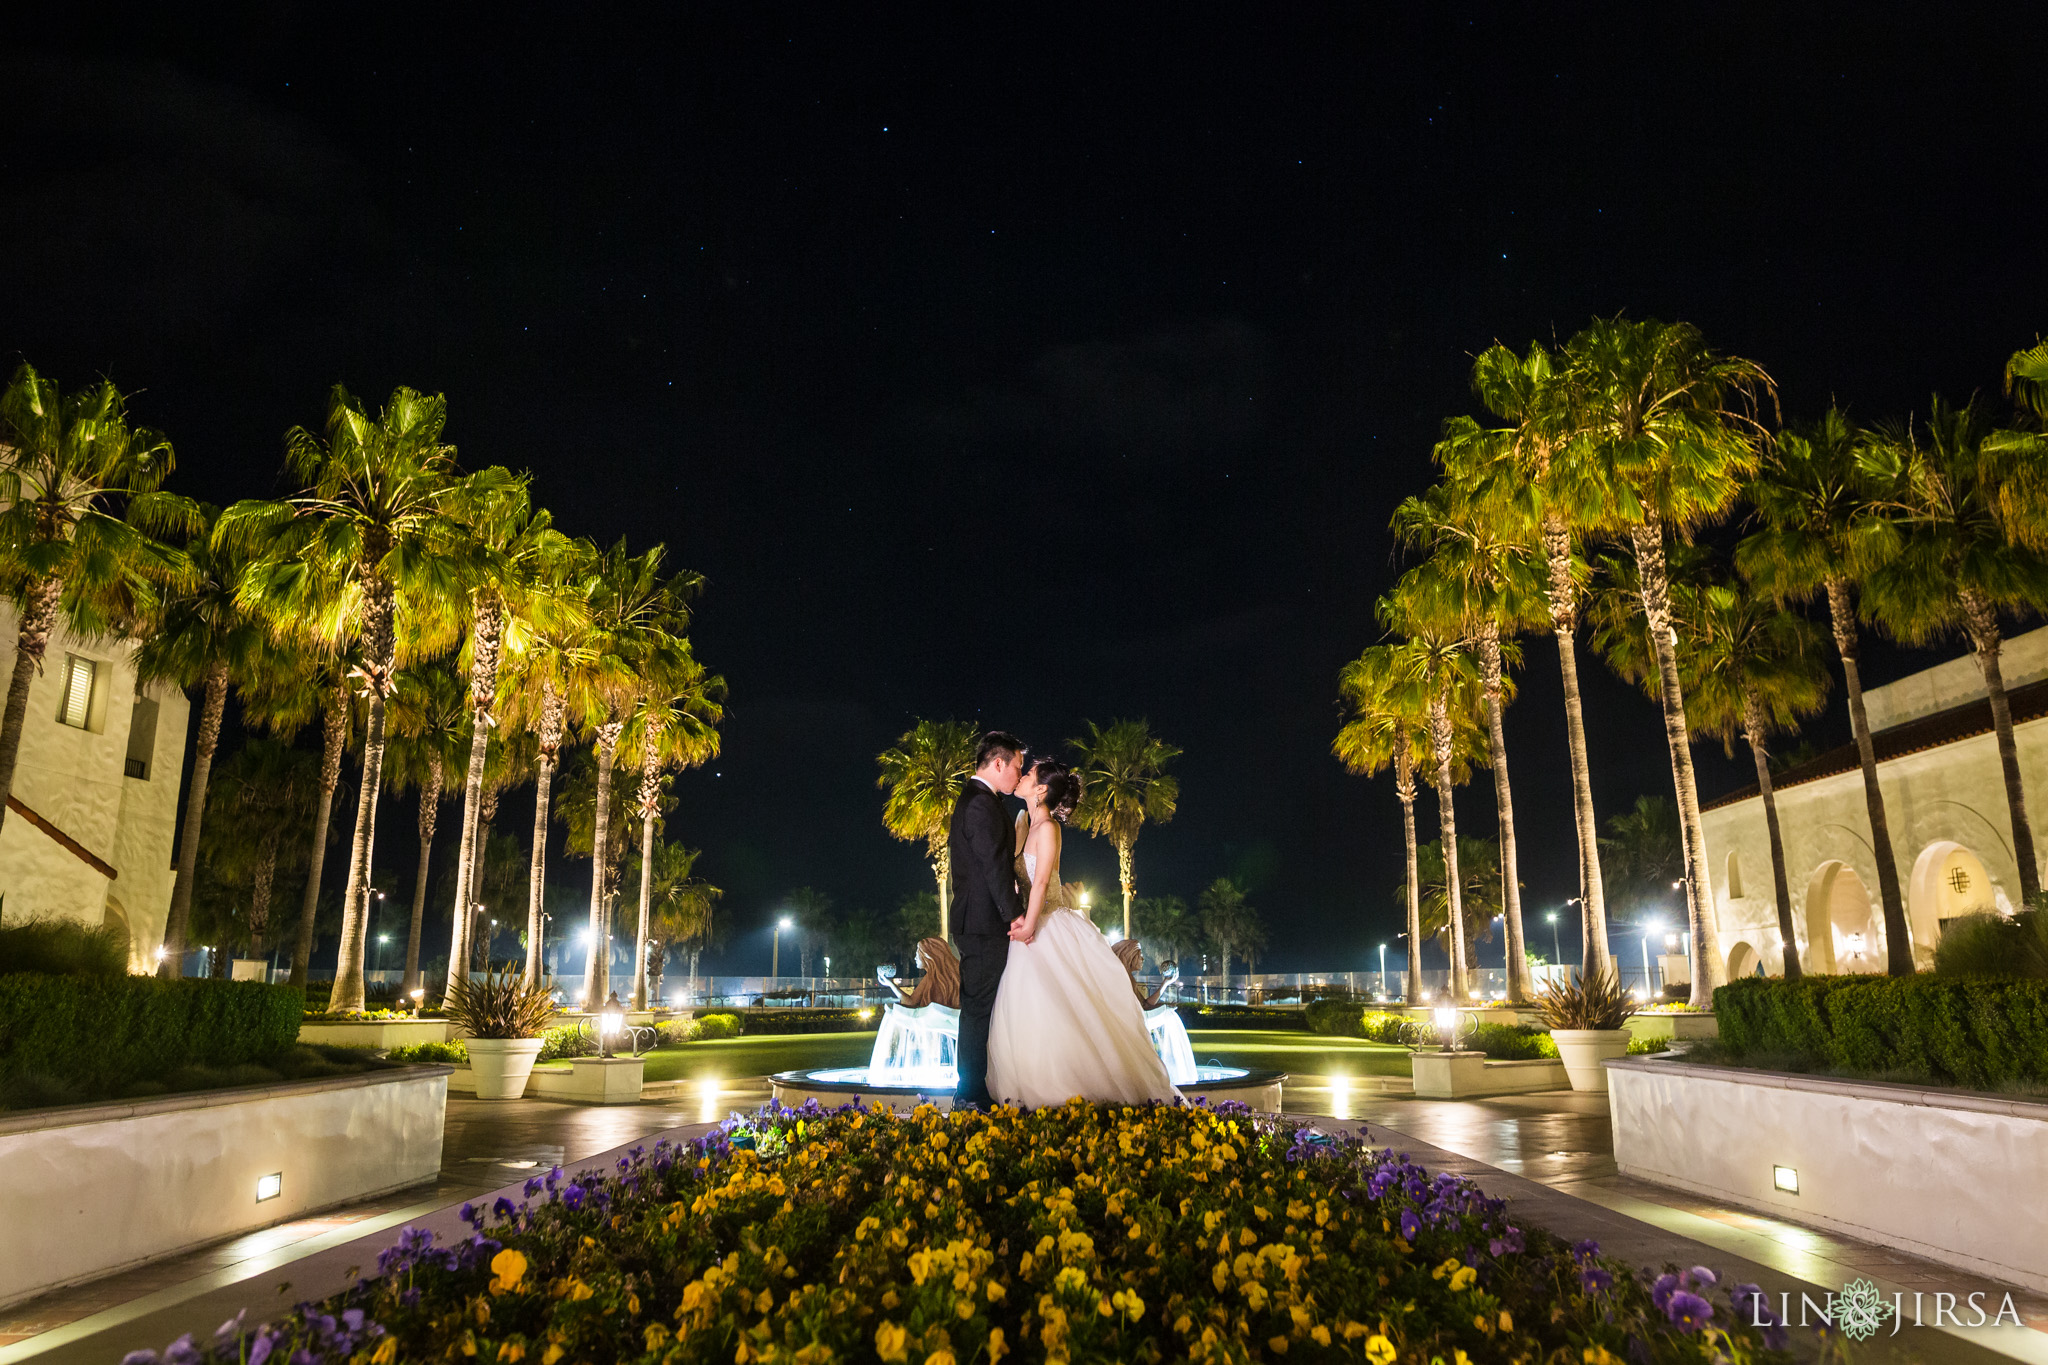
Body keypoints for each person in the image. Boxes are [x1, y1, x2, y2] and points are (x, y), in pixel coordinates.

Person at [986, 756, 1177, 1107]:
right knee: (1033, 1010)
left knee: (1068, 1007)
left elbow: (1042, 881)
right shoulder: (1024, 822)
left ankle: (1079, 1092)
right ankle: (1039, 1091)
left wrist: (1028, 923)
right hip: (1028, 926)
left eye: (1028, 774)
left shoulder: (1048, 828)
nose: (1022, 776)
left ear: (1040, 789)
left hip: (1049, 925)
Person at [947, 730, 1027, 1108]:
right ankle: (969, 1094)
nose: (1019, 775)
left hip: (980, 920)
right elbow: (993, 866)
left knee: (986, 1006)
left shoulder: (980, 800)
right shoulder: (980, 803)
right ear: (999, 764)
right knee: (979, 1007)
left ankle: (980, 1089)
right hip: (981, 924)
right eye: (1017, 767)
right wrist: (1014, 917)